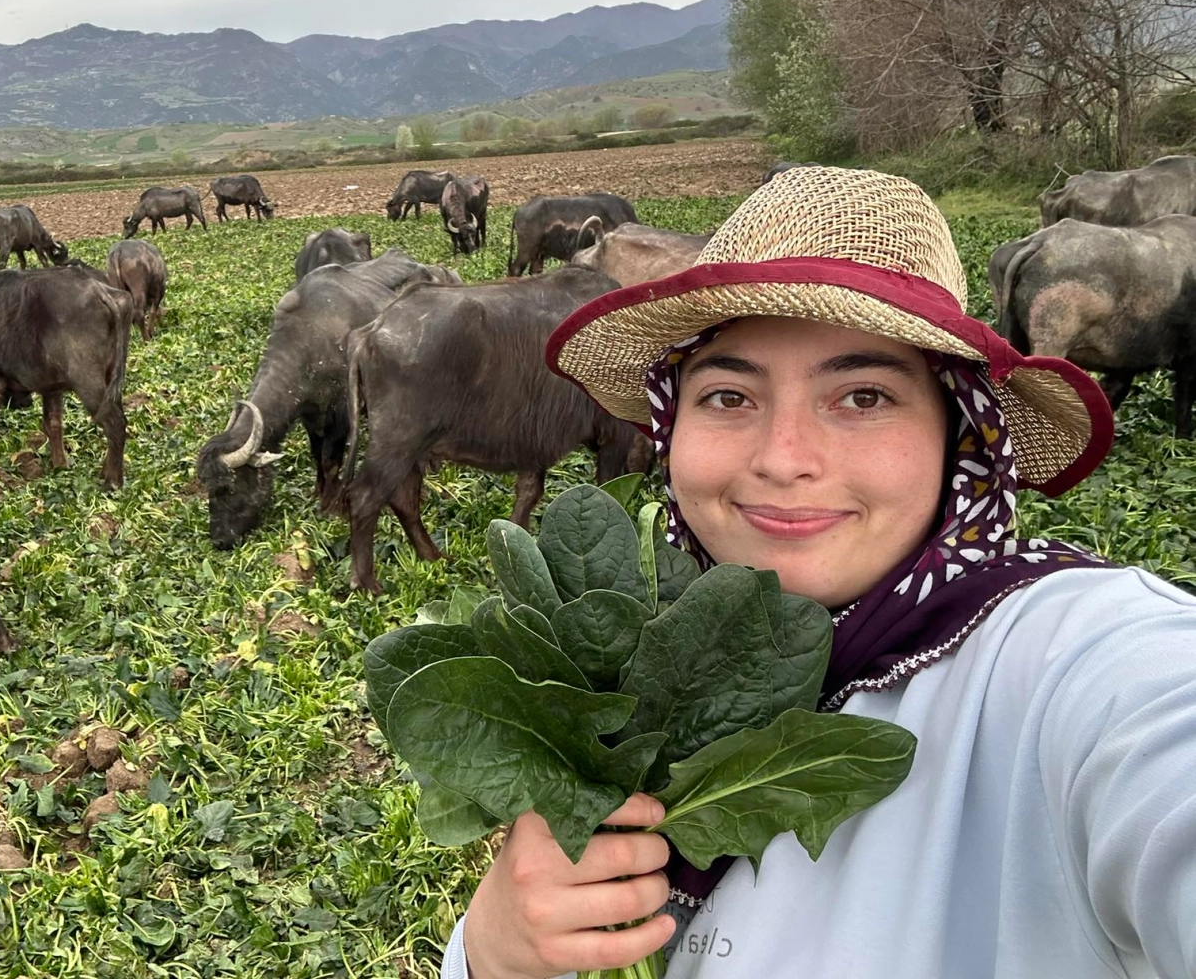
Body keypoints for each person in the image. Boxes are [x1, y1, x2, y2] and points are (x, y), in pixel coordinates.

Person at [439, 167, 1196, 979]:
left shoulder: (1078, 665)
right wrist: (489, 957)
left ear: (959, 435)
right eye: (728, 397)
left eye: (863, 397)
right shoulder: (647, 653)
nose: (782, 459)